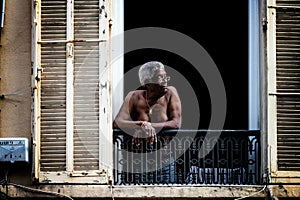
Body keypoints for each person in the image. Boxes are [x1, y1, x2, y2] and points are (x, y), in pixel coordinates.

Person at [113, 61, 182, 183]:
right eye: (160, 77)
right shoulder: (134, 97)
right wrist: (141, 125)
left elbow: (176, 123)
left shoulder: (171, 93)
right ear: (147, 83)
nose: (165, 80)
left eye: (166, 76)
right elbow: (117, 122)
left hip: (163, 160)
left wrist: (149, 126)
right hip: (136, 160)